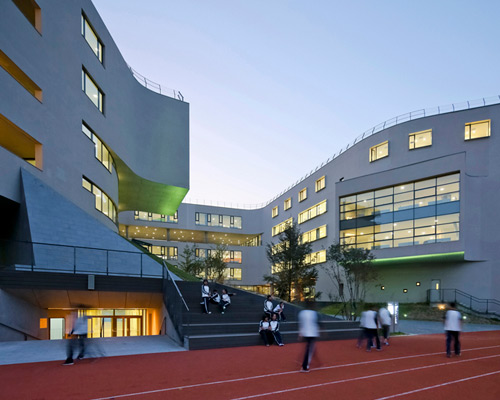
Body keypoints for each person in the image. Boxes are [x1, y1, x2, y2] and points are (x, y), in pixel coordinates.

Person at [298, 301, 320, 372]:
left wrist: (300, 333)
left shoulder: (302, 313)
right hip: (312, 333)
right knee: (309, 349)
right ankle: (305, 365)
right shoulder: (313, 313)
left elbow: (301, 324)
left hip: (306, 333)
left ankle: (316, 360)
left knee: (311, 348)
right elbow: (317, 323)